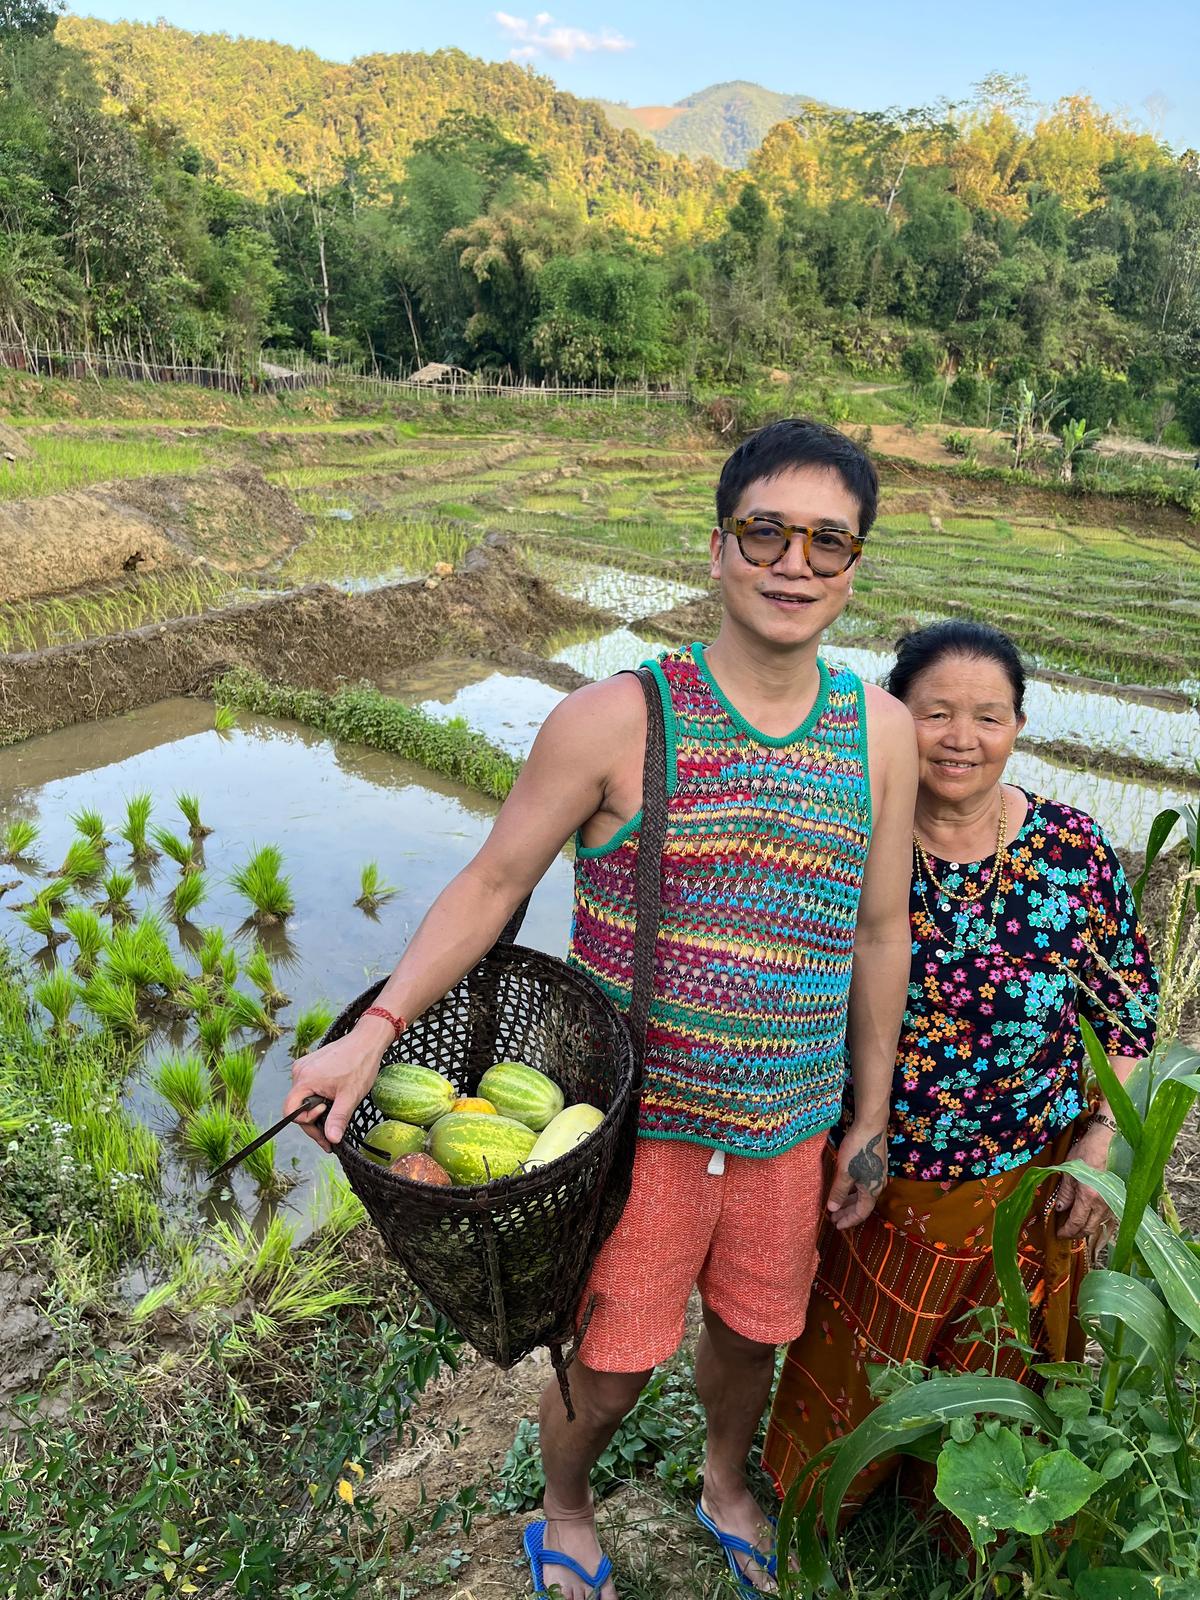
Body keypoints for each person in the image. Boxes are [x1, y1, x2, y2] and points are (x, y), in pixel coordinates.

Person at [285, 418, 918, 1599]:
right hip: (635, 1133)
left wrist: (866, 1116)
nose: (794, 563)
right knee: (614, 1365)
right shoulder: (617, 718)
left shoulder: (881, 733)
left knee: (750, 1338)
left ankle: (726, 1482)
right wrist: (372, 1033)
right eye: (765, 532)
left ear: (854, 567)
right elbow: (491, 882)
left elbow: (882, 931)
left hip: (788, 1126)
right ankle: (565, 1505)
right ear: (718, 547)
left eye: (826, 542)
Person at [763, 619, 1159, 1522]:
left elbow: (1129, 1015)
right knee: (860, 1370)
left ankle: (964, 1519)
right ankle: (824, 1505)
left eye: (988, 716)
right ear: (894, 719)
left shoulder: (1073, 851)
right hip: (879, 1176)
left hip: (1025, 1183)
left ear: (1019, 725)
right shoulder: (853, 846)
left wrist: (1097, 1147)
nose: (960, 739)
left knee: (992, 1381)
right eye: (934, 713)